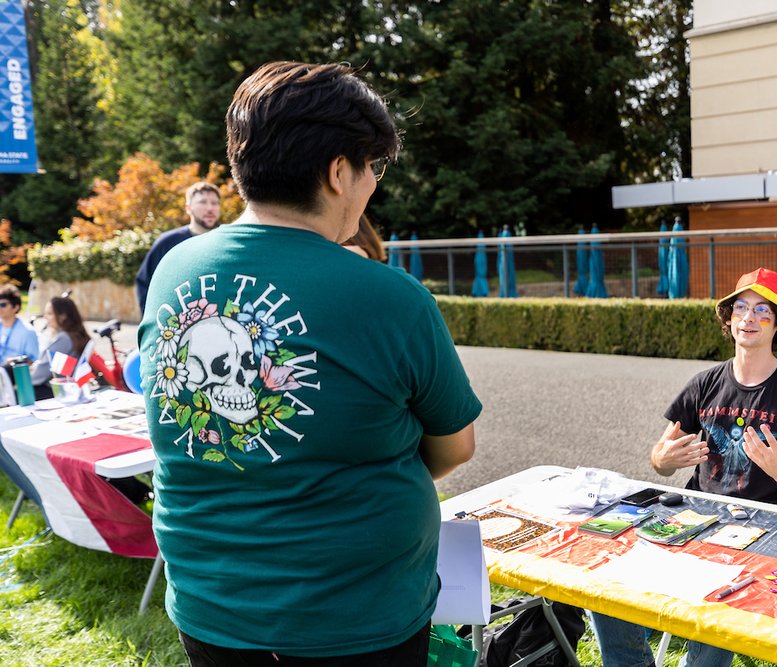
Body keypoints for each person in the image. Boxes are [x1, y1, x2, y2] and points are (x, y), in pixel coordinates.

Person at [138, 61, 481, 666]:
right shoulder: (390, 298)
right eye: (373, 167)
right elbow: (453, 448)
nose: (373, 184)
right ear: (338, 171)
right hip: (355, 618)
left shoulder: (175, 271)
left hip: (210, 606)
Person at [591, 267, 777, 667]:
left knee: (720, 610)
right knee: (605, 579)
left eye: (762, 311)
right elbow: (660, 456)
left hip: (762, 535)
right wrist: (664, 459)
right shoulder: (703, 384)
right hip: (692, 519)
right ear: (729, 319)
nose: (749, 318)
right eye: (741, 307)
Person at [134, 181, 222, 313]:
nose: (210, 208)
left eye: (214, 203)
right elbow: (146, 283)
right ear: (188, 208)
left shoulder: (226, 242)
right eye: (202, 202)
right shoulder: (168, 242)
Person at [29, 295, 91, 399]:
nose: (45, 317)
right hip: (67, 388)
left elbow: (40, 375)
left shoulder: (64, 339)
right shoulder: (74, 335)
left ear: (63, 316)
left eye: (49, 313)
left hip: (56, 390)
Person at [0, 284, 39, 363]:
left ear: (16, 307)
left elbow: (34, 361)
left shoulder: (28, 332)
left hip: (13, 374)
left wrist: (15, 361)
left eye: (3, 305)